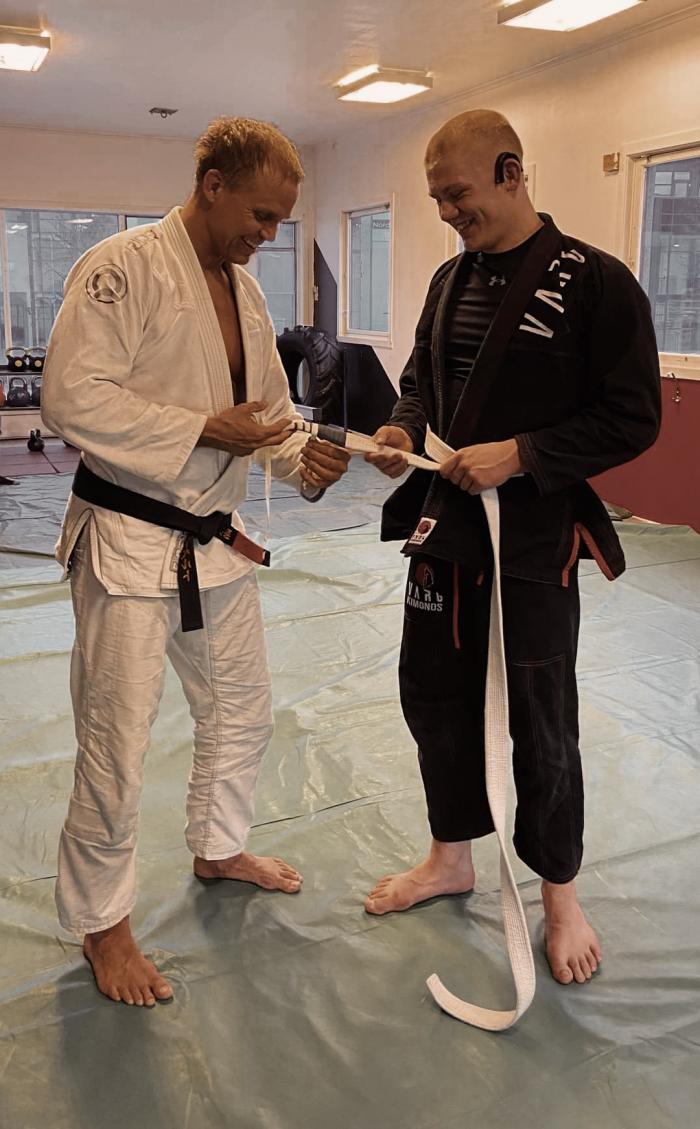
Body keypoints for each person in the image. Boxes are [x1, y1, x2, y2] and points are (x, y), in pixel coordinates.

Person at [42, 116, 350, 1007]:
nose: (269, 234)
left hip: (213, 541)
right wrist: (201, 429)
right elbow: (69, 396)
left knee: (243, 709)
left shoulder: (245, 292)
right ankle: (103, 923)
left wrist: (304, 460)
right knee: (116, 742)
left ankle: (218, 847)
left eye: (280, 219)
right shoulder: (122, 267)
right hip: (129, 540)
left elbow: (270, 416)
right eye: (260, 214)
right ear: (212, 185)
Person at [363, 109, 661, 987]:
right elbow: (420, 379)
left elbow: (633, 415)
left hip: (532, 539)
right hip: (445, 530)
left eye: (457, 193)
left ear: (510, 170)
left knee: (540, 716)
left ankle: (560, 895)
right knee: (433, 695)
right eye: (436, 199)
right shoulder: (450, 279)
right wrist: (400, 426)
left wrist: (523, 454)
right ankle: (450, 855)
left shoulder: (596, 283)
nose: (447, 211)